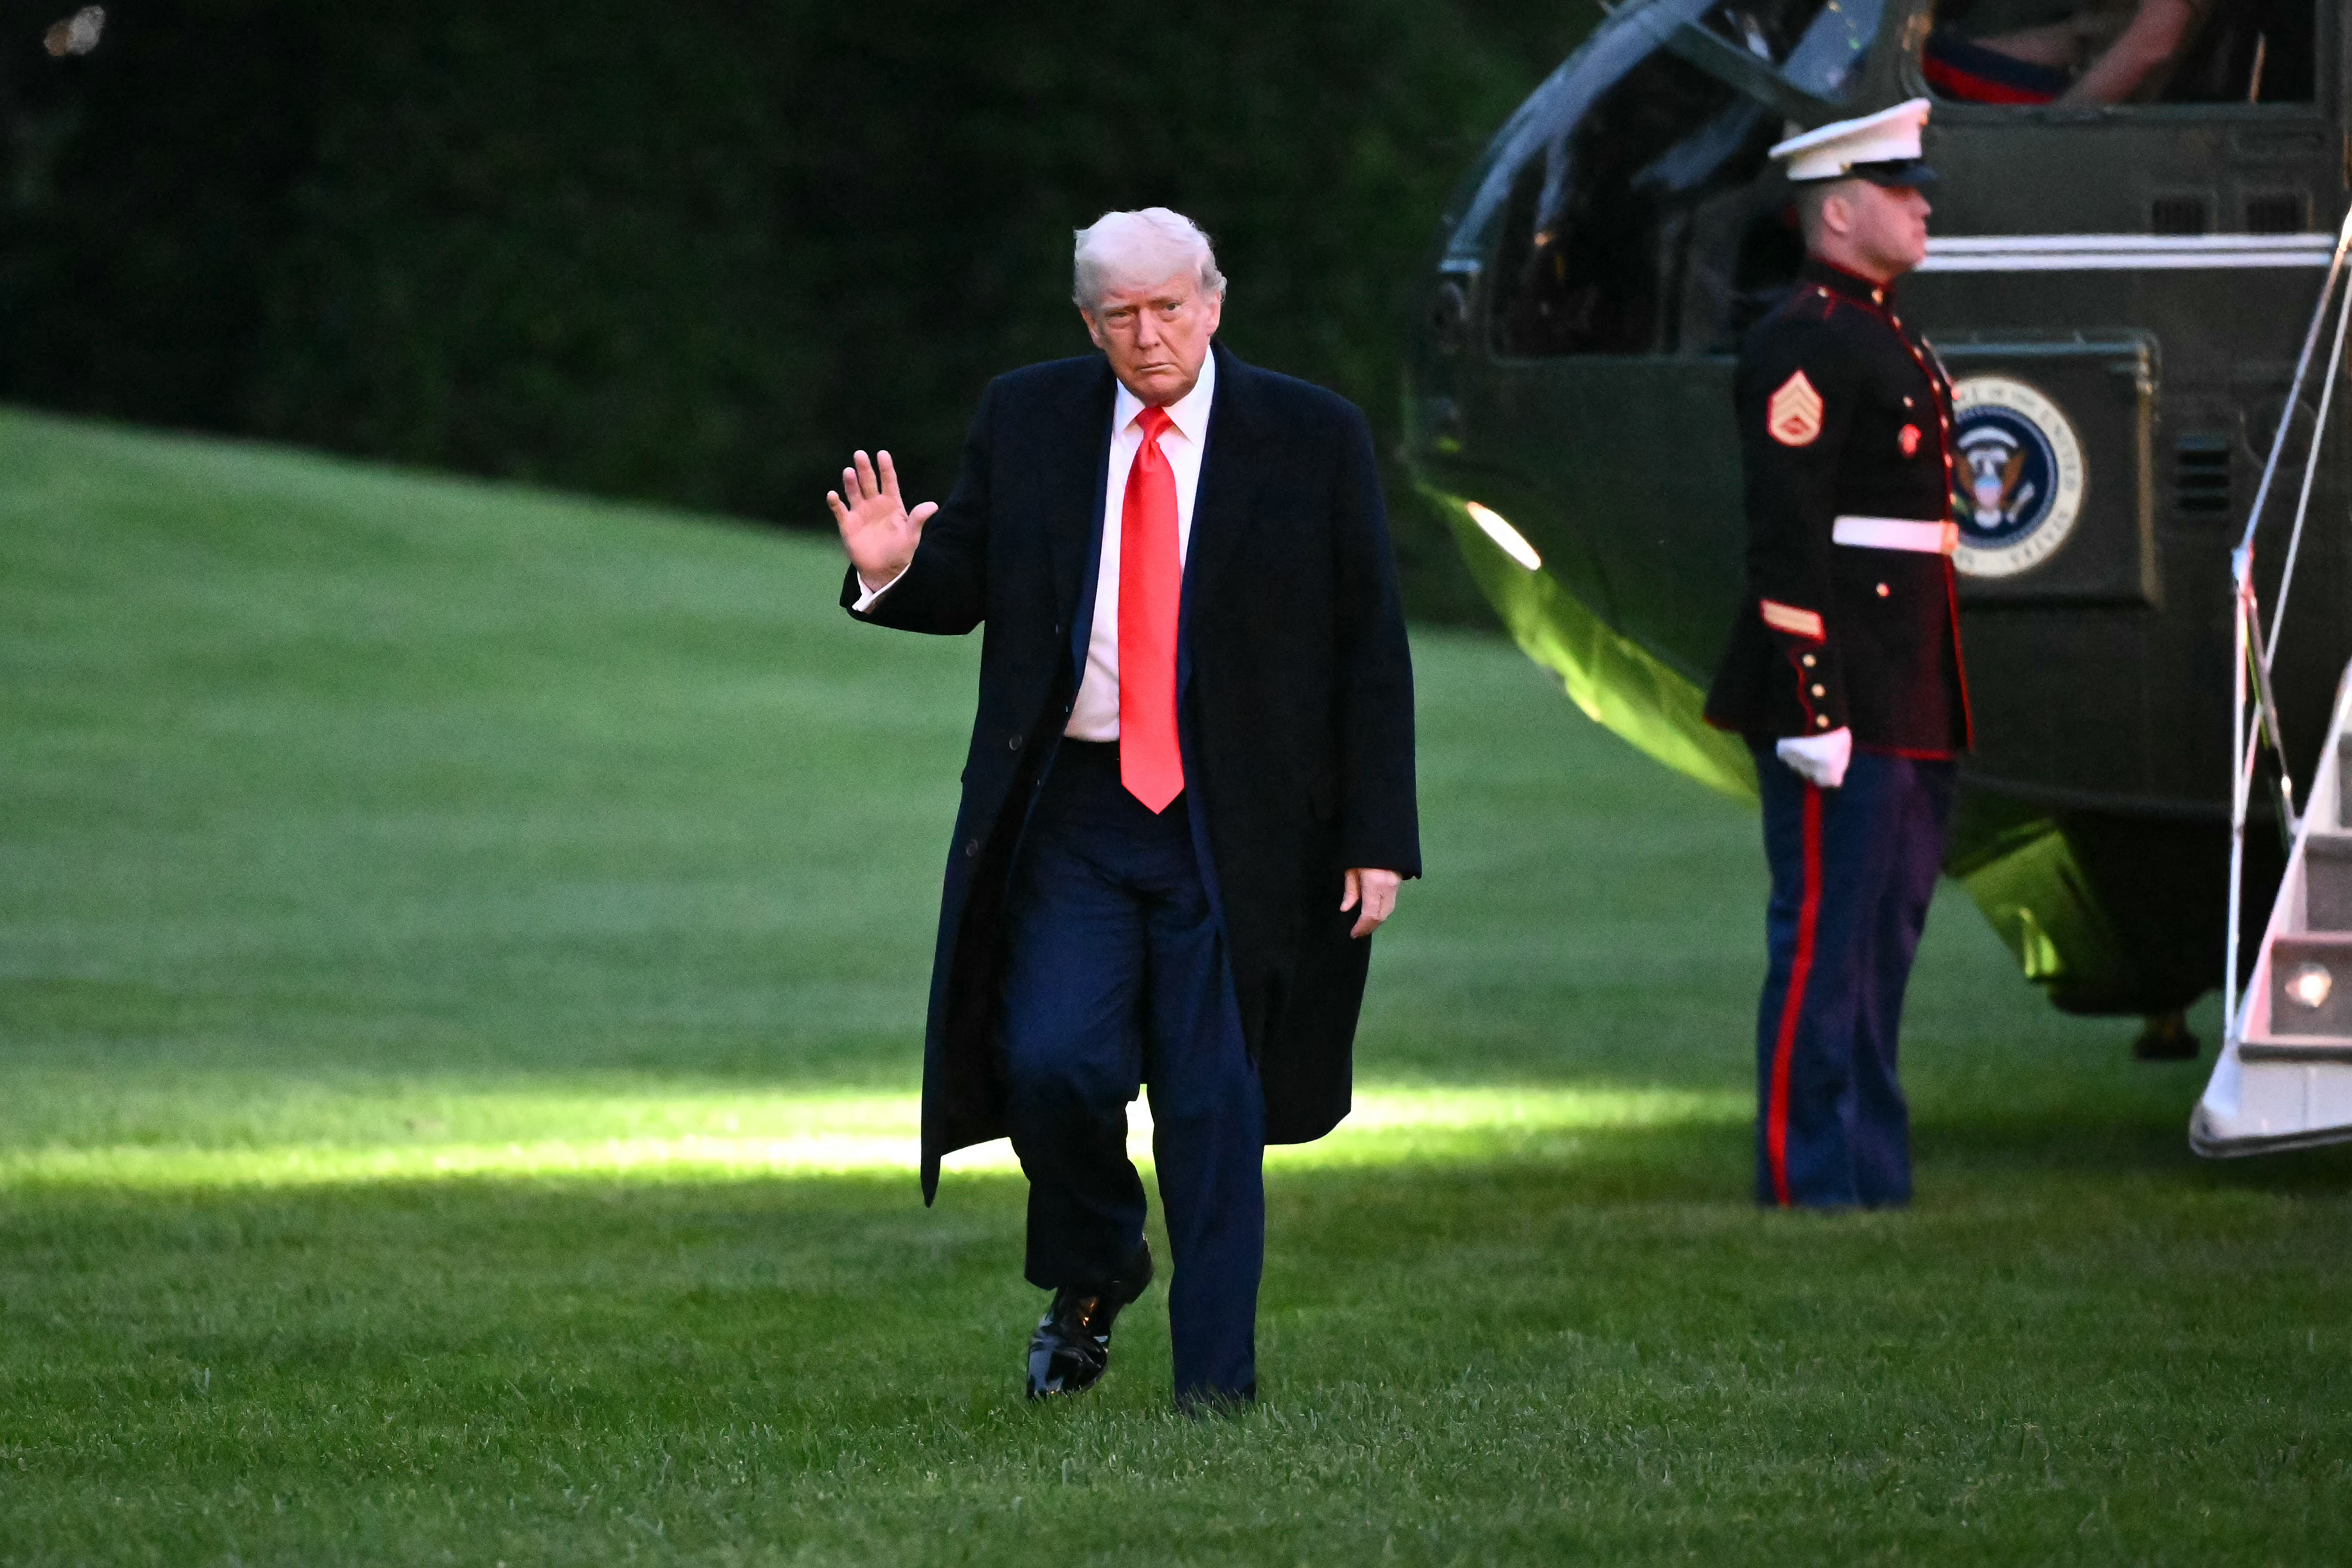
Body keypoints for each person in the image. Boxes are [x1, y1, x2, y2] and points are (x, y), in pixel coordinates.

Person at [827, 208, 1419, 1409]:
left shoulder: (1312, 437)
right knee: (1050, 1064)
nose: (1149, 337)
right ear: (1089, 323)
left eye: (1169, 308)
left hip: (1238, 820)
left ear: (1214, 302)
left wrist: (1378, 837)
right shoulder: (1031, 416)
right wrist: (892, 567)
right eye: (1121, 316)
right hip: (1077, 815)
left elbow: (1371, 647)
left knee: (1214, 1101)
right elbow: (971, 584)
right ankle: (1099, 1263)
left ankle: (1215, 1389)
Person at [1704, 101, 1971, 1211]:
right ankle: (1808, 1173)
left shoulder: (1880, 326)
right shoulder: (1809, 335)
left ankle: (1868, 1165)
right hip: (1843, 687)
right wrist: (1814, 703)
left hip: (1904, 677)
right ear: (1840, 208)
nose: (1922, 206)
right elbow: (1788, 531)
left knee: (1881, 937)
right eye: (1901, 190)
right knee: (1824, 934)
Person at [1923, 0, 2219, 105]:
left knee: (1933, 65)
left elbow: (2151, 45)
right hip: (2081, 89)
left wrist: (2061, 120)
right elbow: (2077, 40)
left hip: (2115, 113)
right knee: (1931, 59)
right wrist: (1979, 55)